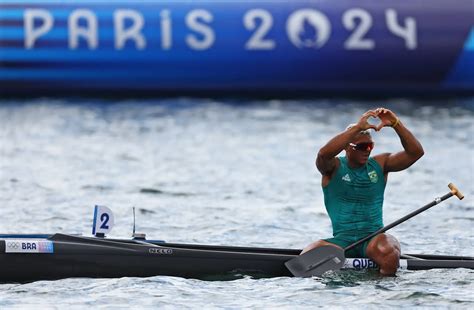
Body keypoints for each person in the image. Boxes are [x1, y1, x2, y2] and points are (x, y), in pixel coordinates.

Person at [302, 107, 424, 275]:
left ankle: (381, 293)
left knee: (389, 254)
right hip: (342, 241)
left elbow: (416, 153)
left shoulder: (381, 164)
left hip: (374, 239)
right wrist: (358, 127)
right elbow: (323, 154)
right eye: (362, 146)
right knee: (306, 259)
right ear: (346, 147)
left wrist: (396, 123)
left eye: (370, 146)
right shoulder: (333, 167)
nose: (367, 150)